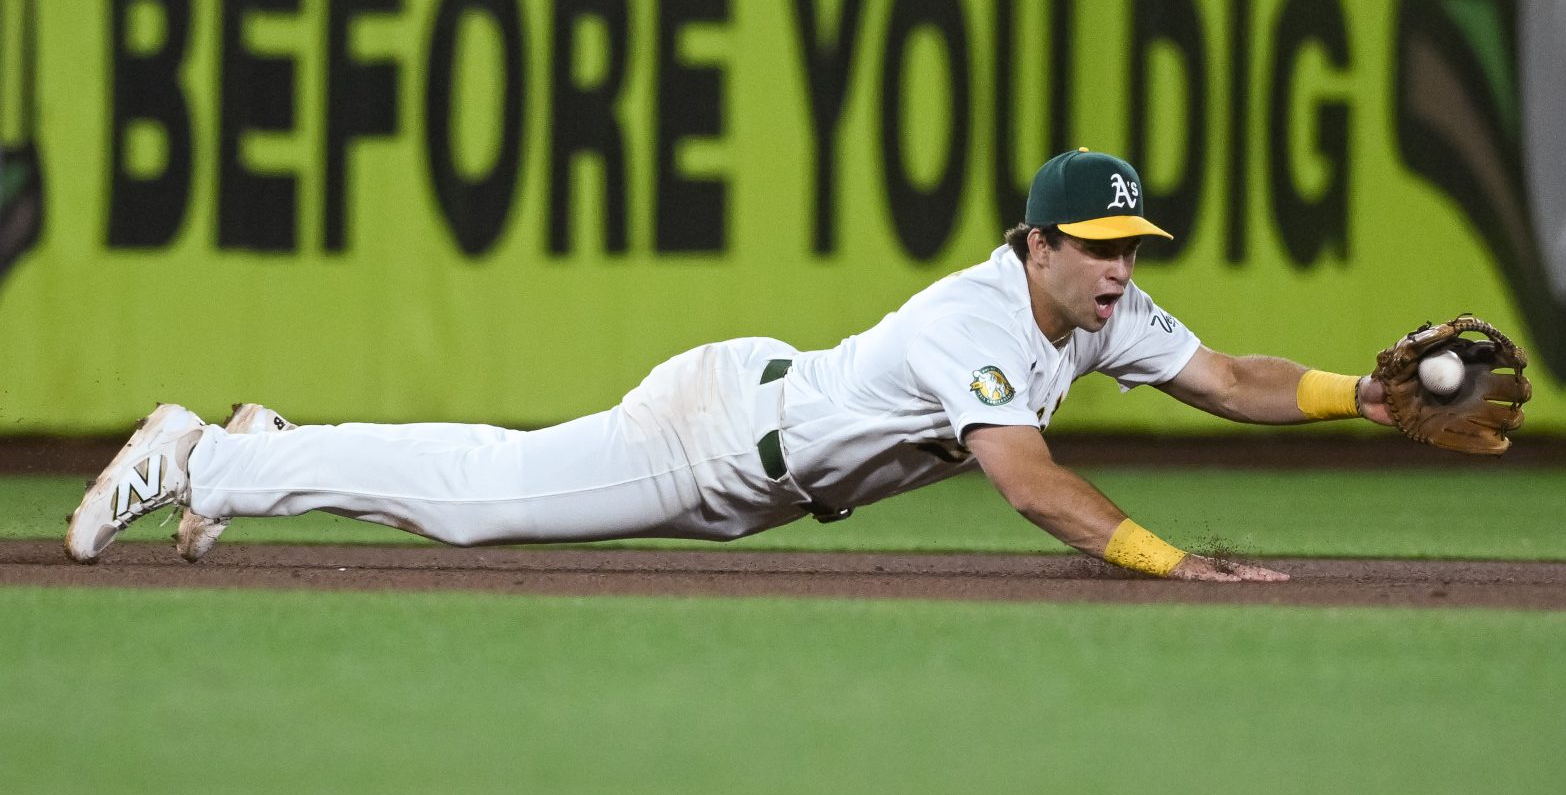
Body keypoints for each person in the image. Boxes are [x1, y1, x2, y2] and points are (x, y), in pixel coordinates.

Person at [66, 149, 1395, 581]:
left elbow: (1227, 379)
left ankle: (271, 443)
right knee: (482, 498)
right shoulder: (975, 320)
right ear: (1035, 241)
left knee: (483, 489)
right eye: (1096, 245)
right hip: (714, 440)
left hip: (765, 449)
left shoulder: (1102, 312)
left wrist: (1365, 399)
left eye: (1131, 245)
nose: (1119, 267)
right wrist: (1174, 564)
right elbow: (1032, 486)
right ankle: (210, 453)